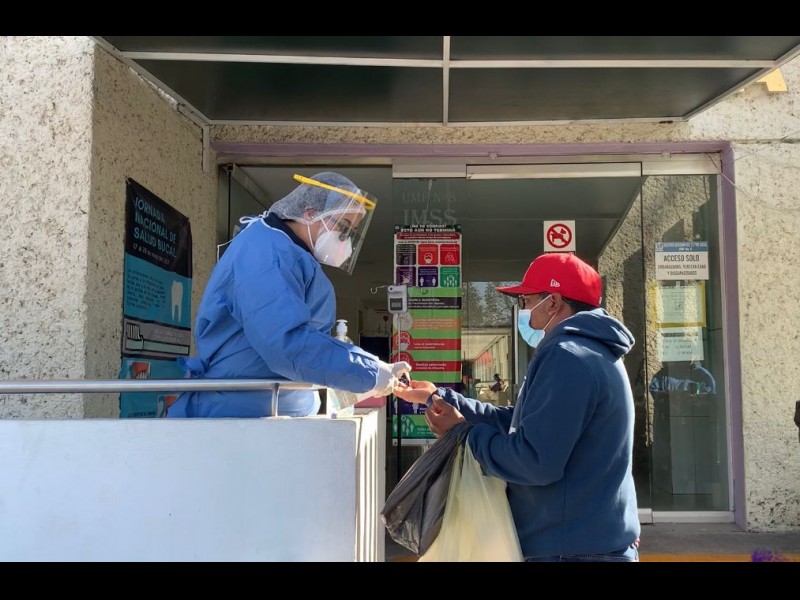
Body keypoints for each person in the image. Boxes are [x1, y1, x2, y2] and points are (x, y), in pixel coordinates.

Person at [394, 252, 641, 562]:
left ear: (553, 302)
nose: (522, 309)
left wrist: (463, 434)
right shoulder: (593, 352)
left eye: (526, 300)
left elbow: (535, 460)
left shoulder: (567, 357)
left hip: (570, 550)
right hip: (582, 542)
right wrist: (437, 397)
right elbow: (522, 423)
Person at [168, 172, 410, 418]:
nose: (345, 240)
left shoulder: (289, 253)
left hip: (265, 411)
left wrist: (372, 368)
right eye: (343, 228)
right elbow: (285, 344)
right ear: (310, 213)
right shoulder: (265, 254)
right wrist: (370, 372)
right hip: (236, 413)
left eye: (351, 233)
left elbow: (306, 341)